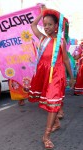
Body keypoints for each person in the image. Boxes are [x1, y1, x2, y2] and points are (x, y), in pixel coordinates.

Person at [28, 5, 74, 149]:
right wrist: (42, 13)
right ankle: (56, 122)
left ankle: (46, 136)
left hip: (57, 75)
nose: (46, 27)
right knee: (48, 103)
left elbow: (66, 60)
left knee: (53, 104)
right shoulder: (42, 38)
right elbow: (33, 25)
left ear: (56, 27)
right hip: (44, 74)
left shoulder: (61, 41)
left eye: (49, 25)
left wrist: (71, 77)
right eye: (45, 24)